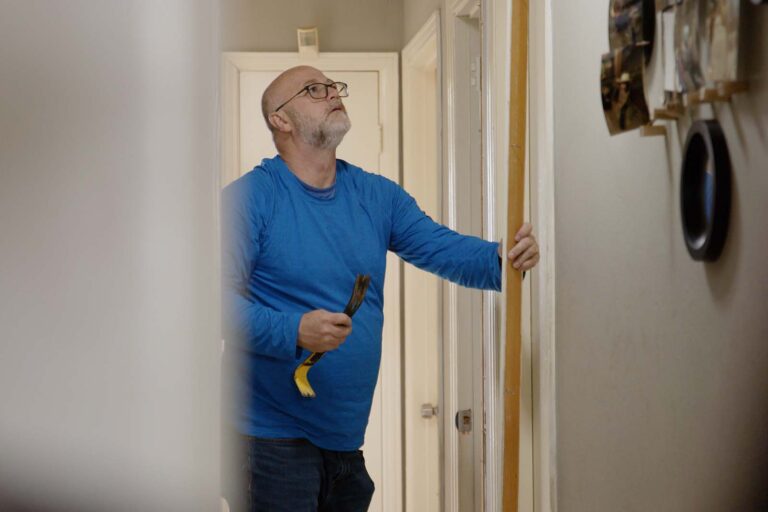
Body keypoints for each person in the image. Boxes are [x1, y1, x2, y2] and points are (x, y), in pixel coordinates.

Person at [221, 65, 540, 512]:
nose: (333, 93)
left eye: (334, 86)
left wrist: (505, 260)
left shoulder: (377, 197)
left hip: (346, 441)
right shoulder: (251, 199)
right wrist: (294, 330)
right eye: (315, 90)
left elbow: (442, 249)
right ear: (281, 119)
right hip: (269, 439)